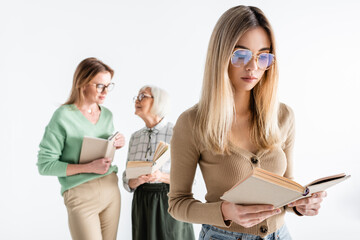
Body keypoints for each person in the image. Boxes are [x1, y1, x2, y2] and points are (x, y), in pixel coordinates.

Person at [168, 5, 327, 240]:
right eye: (241, 55)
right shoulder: (191, 123)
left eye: (263, 56)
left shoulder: (283, 116)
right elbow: (177, 204)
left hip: (280, 235)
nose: (253, 67)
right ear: (221, 55)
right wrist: (224, 211)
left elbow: (286, 184)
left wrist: (299, 203)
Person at [37, 57, 125, 240]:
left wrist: (117, 143)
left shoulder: (107, 114)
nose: (105, 92)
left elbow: (102, 153)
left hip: (111, 190)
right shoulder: (62, 116)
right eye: (100, 86)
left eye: (109, 86)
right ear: (83, 83)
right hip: (80, 194)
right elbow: (45, 165)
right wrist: (89, 168)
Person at [122, 85, 195, 240]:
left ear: (158, 102)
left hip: (168, 198)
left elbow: (190, 180)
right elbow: (126, 179)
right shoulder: (135, 137)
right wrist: (136, 180)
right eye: (137, 96)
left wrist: (160, 176)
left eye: (143, 96)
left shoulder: (177, 132)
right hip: (141, 200)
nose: (137, 100)